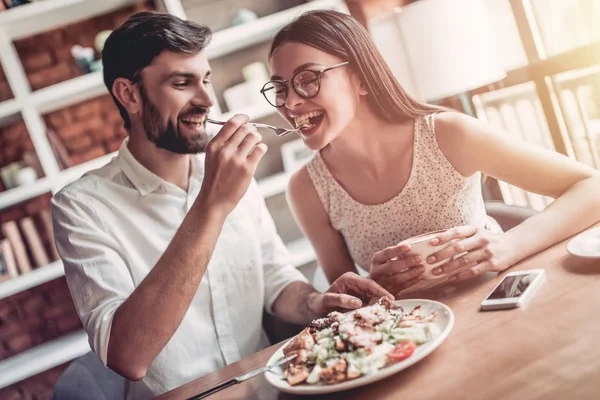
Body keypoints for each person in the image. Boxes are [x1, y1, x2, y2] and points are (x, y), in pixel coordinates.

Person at [51, 11, 392, 400]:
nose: (206, 100)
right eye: (182, 83)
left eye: (206, 80)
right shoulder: (81, 207)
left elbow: (275, 280)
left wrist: (316, 301)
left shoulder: (231, 175)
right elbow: (127, 356)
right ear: (128, 94)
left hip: (277, 388)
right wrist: (212, 205)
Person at [262, 10, 600, 297]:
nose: (290, 103)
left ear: (360, 77)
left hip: (503, 304)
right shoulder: (307, 189)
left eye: (308, 78)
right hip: (411, 346)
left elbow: (592, 188)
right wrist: (371, 286)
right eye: (280, 88)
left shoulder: (450, 135)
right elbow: (347, 299)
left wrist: (508, 246)